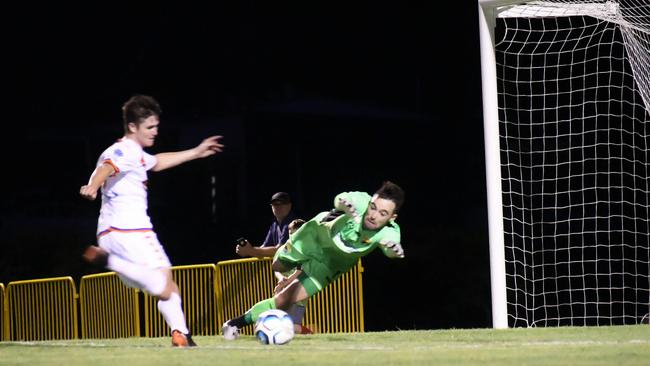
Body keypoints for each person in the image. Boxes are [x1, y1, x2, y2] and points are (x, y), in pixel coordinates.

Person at [79, 94, 224, 348]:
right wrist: (92, 185)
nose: (155, 132)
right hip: (130, 231)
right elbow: (108, 167)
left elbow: (156, 162)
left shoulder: (134, 153)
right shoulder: (123, 151)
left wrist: (196, 152)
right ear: (132, 126)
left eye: (156, 126)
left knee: (164, 285)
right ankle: (110, 261)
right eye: (150, 127)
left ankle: (181, 334)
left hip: (111, 234)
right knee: (164, 285)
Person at [222, 181, 405, 340]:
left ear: (392, 218)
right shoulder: (361, 200)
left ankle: (233, 324)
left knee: (284, 301)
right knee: (277, 264)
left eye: (383, 213)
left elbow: (391, 246)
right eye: (373, 207)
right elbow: (341, 198)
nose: (373, 215)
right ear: (370, 201)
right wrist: (343, 204)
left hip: (330, 265)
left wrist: (392, 250)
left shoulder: (390, 232)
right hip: (314, 237)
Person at [236, 218, 313, 334]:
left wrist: (285, 283)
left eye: (296, 233)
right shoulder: (285, 249)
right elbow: (276, 267)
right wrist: (281, 279)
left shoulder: (305, 250)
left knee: (293, 325)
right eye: (290, 233)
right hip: (283, 290)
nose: (292, 236)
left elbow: (301, 271)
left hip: (298, 293)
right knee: (282, 322)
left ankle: (309, 334)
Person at [235, 192, 296, 259]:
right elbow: (264, 247)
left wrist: (251, 251)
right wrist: (247, 250)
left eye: (283, 203)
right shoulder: (274, 224)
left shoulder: (293, 222)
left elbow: (281, 250)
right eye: (275, 204)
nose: (279, 207)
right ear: (271, 207)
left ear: (290, 205)